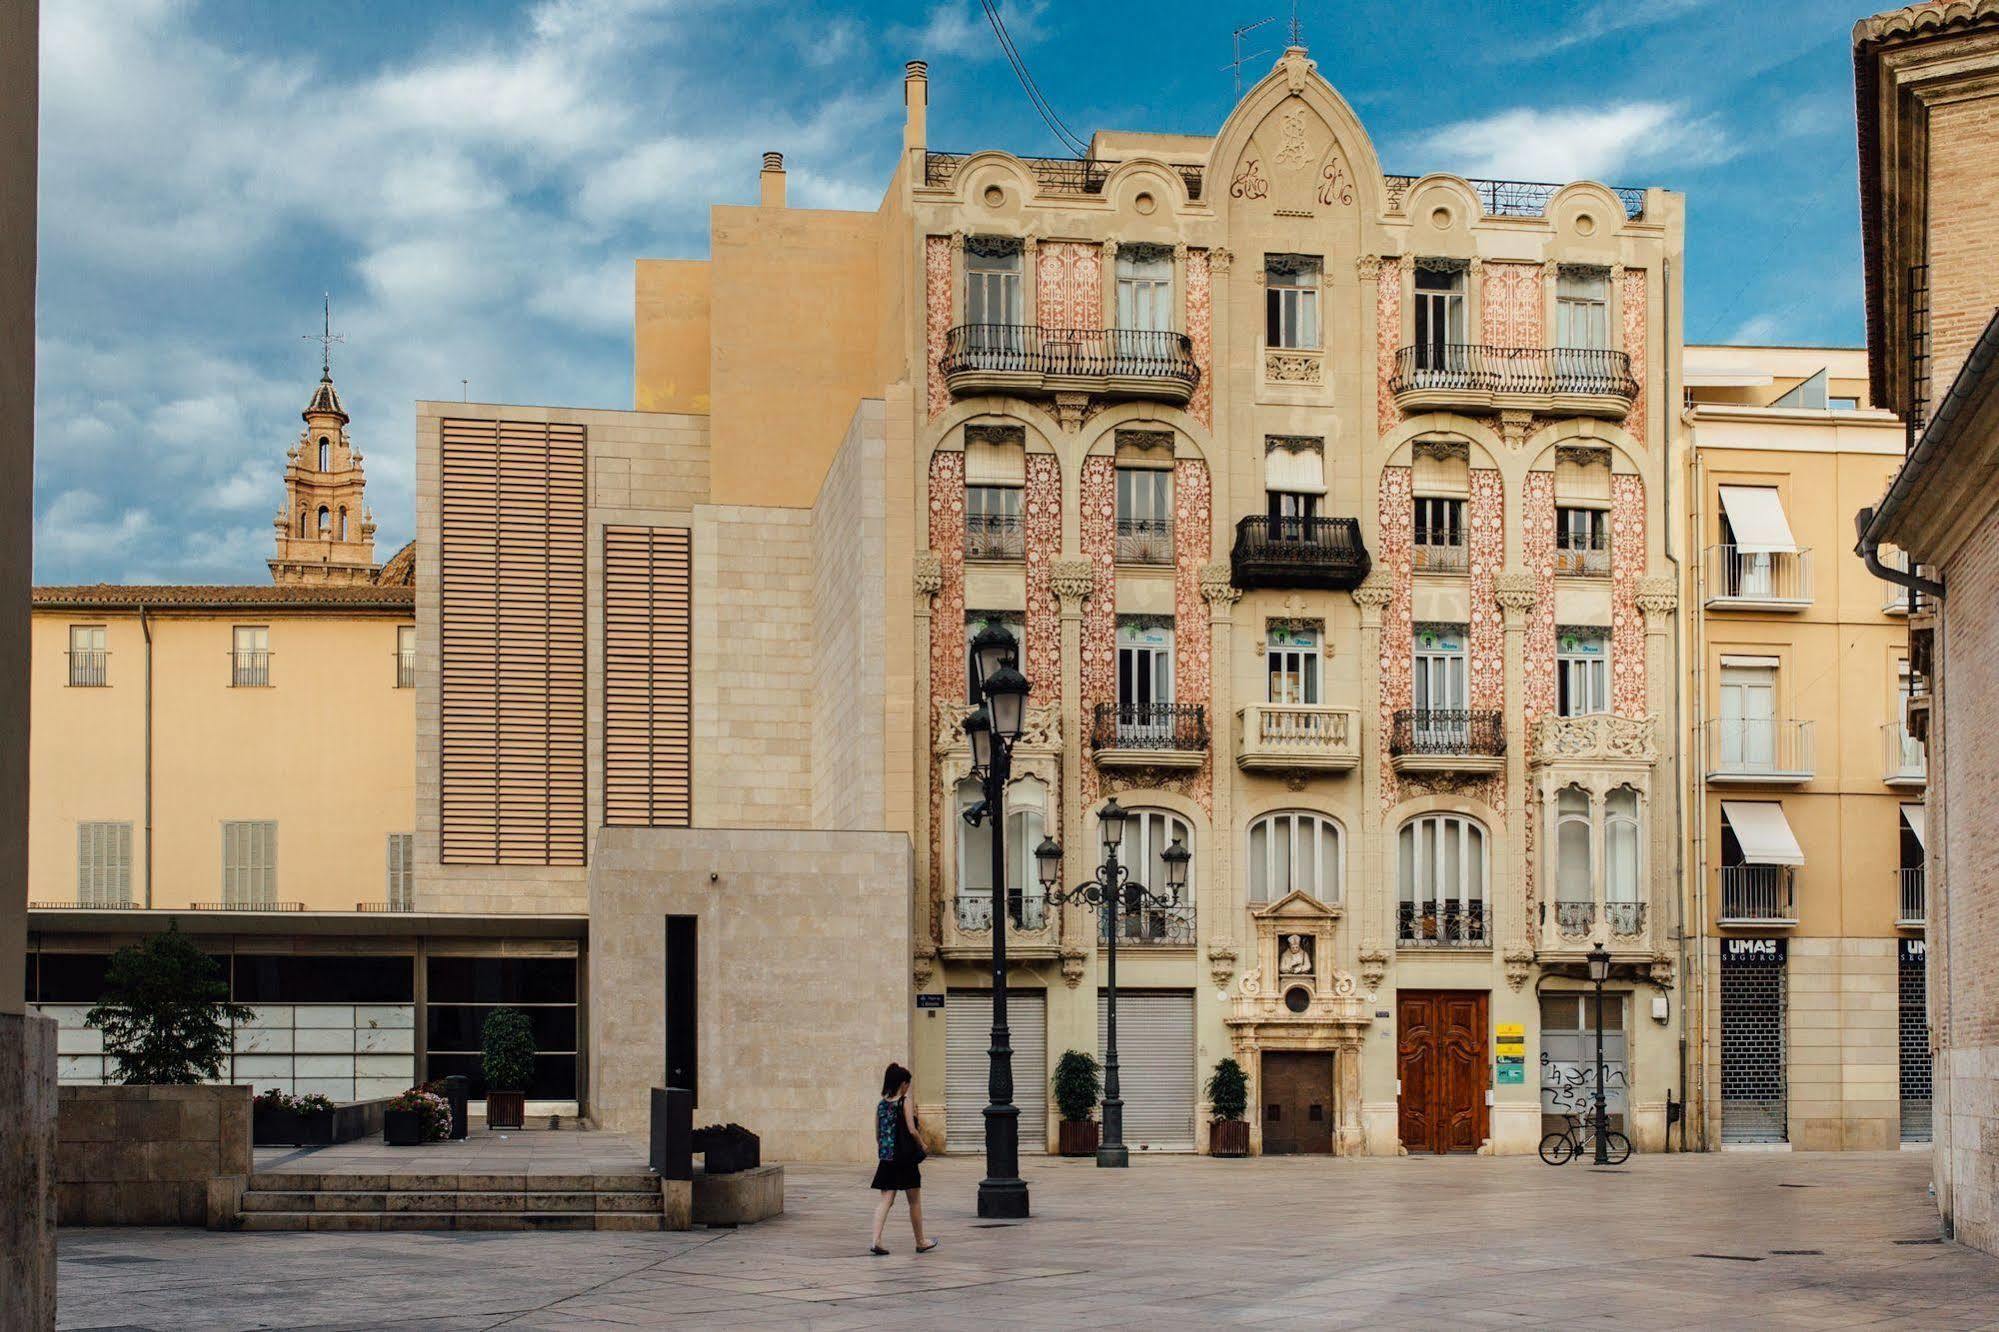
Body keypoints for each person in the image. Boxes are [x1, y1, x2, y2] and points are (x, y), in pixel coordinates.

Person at [868, 1062, 937, 1255]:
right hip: (905, 1159)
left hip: (888, 1159)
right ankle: (920, 1241)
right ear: (903, 1083)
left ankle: (876, 1240)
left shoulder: (881, 1105)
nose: (908, 1087)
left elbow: (877, 1134)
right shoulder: (903, 1101)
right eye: (908, 1083)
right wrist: (922, 1144)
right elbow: (911, 1129)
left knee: (885, 1201)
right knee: (914, 1201)